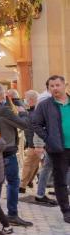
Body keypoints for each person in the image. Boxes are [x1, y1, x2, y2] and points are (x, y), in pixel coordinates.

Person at [0, 83, 31, 227]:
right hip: (7, 150)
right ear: (1, 95)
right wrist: (23, 112)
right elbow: (23, 125)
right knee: (13, 182)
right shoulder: (4, 110)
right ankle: (12, 214)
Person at [31, 75, 70, 225]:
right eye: (51, 86)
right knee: (60, 181)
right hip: (58, 149)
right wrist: (48, 139)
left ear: (64, 85)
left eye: (57, 85)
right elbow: (35, 124)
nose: (55, 88)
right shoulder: (45, 105)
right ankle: (66, 211)